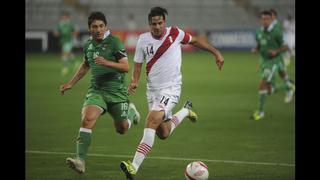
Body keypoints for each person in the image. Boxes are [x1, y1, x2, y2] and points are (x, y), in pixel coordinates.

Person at [120, 7, 224, 179]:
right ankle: (185, 110)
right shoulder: (142, 40)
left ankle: (134, 166)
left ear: (164, 22)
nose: (157, 27)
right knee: (163, 132)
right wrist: (134, 81)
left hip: (171, 88)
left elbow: (196, 41)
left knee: (151, 120)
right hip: (152, 91)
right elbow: (137, 65)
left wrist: (216, 52)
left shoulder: (175, 33)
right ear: (149, 24)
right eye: (154, 24)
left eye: (160, 23)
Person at [59, 11, 140, 174]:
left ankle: (131, 112)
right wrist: (70, 83)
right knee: (87, 119)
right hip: (96, 91)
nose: (98, 29)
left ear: (106, 27)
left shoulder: (115, 42)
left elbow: (125, 67)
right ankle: (80, 160)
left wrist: (107, 62)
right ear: (89, 29)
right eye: (94, 26)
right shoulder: (88, 45)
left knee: (122, 129)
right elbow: (85, 65)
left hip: (117, 93)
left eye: (101, 26)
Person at [250, 11, 295, 121]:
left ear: (271, 20)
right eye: (263, 19)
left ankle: (260, 112)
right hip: (264, 61)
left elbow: (285, 46)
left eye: (267, 19)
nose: (265, 21)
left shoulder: (276, 33)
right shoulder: (259, 32)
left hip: (274, 61)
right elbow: (260, 43)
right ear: (261, 20)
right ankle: (289, 86)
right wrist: (256, 49)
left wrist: (276, 51)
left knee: (262, 85)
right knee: (269, 90)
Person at [53, 12, 80, 76]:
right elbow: (56, 32)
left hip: (69, 41)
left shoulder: (70, 24)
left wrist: (74, 34)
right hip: (62, 41)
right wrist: (56, 33)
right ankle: (76, 63)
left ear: (68, 17)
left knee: (64, 54)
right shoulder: (60, 24)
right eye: (63, 17)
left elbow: (76, 30)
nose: (64, 18)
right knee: (68, 54)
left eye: (65, 17)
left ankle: (65, 68)